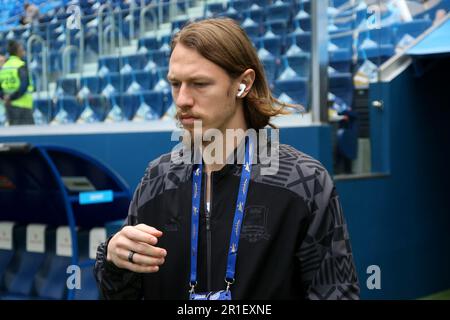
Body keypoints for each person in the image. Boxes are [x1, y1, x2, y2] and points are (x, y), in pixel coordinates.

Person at [94, 18, 360, 300]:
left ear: (243, 84)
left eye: (199, 84)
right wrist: (114, 262)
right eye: (175, 84)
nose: (182, 99)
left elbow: (337, 292)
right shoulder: (157, 178)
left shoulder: (304, 180)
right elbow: (123, 295)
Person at [0, 40, 34, 125]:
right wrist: (12, 97)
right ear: (17, 50)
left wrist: (5, 97)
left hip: (9, 106)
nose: (23, 50)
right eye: (21, 48)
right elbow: (24, 85)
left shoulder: (4, 67)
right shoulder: (20, 65)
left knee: (15, 135)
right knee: (29, 134)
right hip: (23, 106)